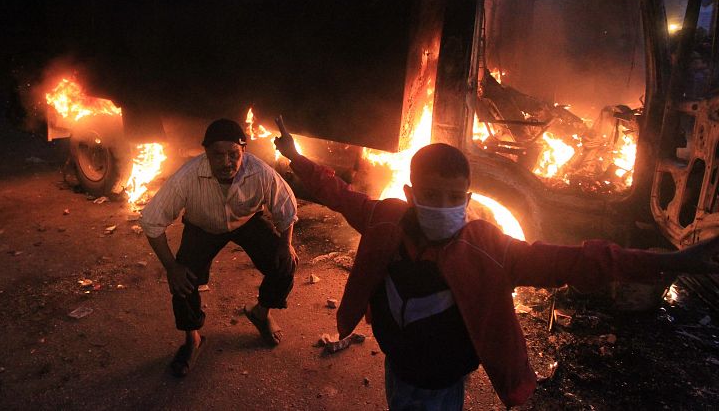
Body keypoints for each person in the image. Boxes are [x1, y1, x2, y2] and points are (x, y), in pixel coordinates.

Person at [272, 116, 719, 410]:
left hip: (444, 380)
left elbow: (574, 261)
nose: (443, 206)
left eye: (454, 199)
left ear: (467, 200)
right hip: (397, 365)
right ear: (410, 194)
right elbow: (335, 192)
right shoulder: (385, 220)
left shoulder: (490, 248)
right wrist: (295, 155)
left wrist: (676, 261)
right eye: (430, 196)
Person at [141, 118, 299, 377]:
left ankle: (261, 312)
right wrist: (172, 267)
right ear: (206, 153)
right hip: (202, 227)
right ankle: (193, 338)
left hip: (246, 221)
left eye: (233, 155)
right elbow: (151, 221)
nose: (226, 163)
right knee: (183, 281)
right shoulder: (187, 176)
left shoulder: (260, 172)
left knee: (285, 264)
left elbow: (286, 207)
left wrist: (286, 244)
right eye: (218, 155)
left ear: (243, 151)